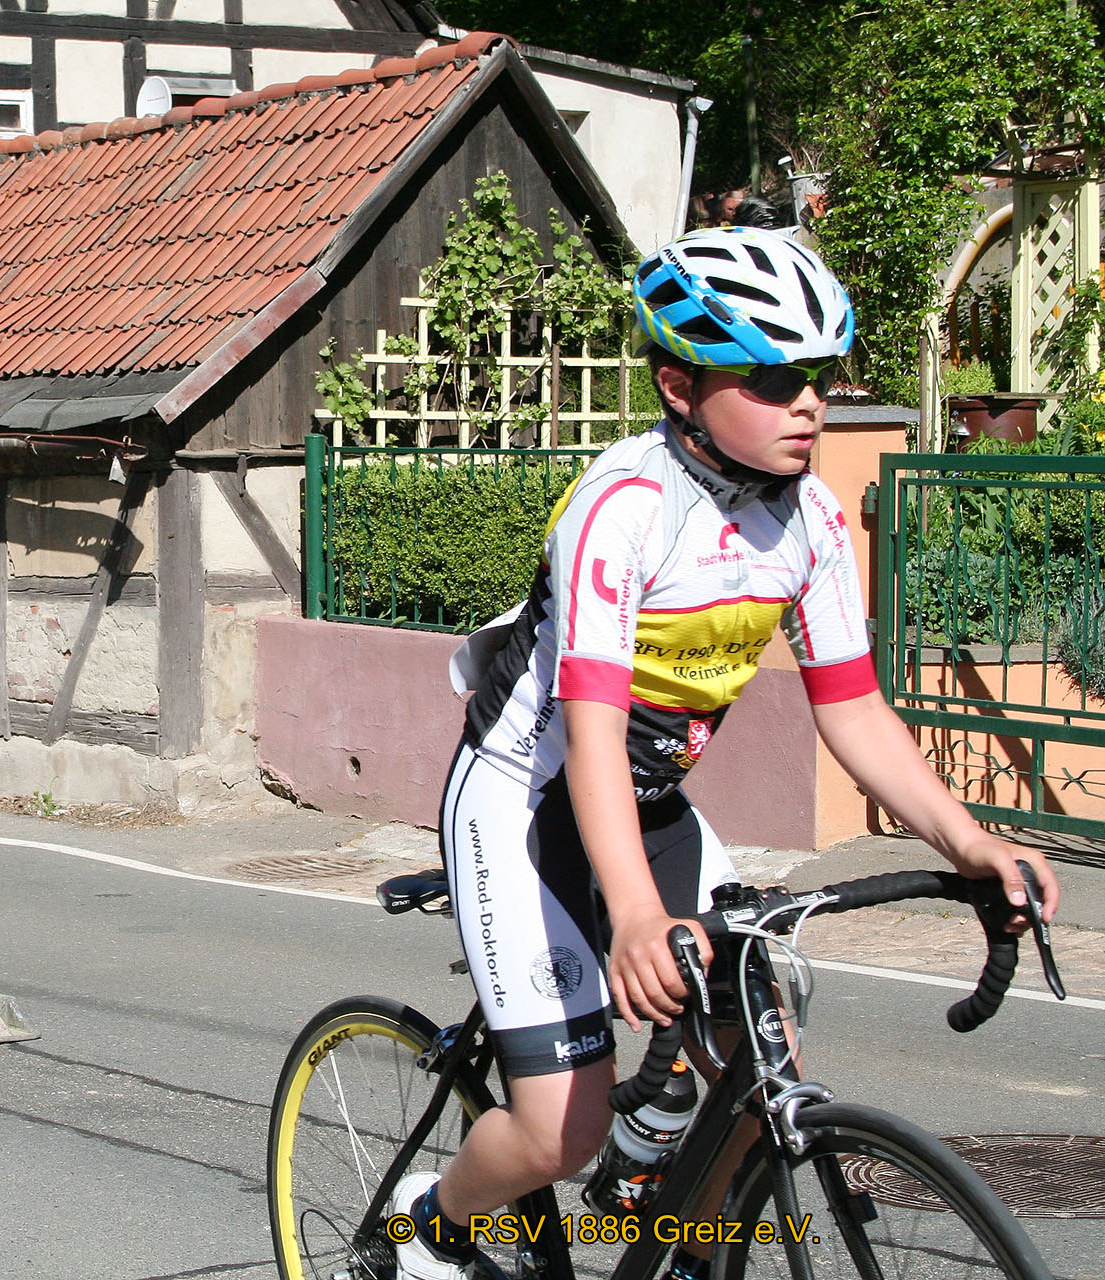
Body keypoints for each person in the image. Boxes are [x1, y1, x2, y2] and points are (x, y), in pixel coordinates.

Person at [393, 226, 1062, 1280]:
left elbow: (856, 712)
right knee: (559, 1132)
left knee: (759, 1070)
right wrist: (634, 912)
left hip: (646, 802)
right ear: (680, 386)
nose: (810, 403)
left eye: (821, 376)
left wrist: (971, 842)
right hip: (525, 798)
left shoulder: (813, 519)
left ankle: (676, 1243)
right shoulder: (625, 507)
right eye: (774, 379)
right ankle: (428, 1221)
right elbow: (594, 730)